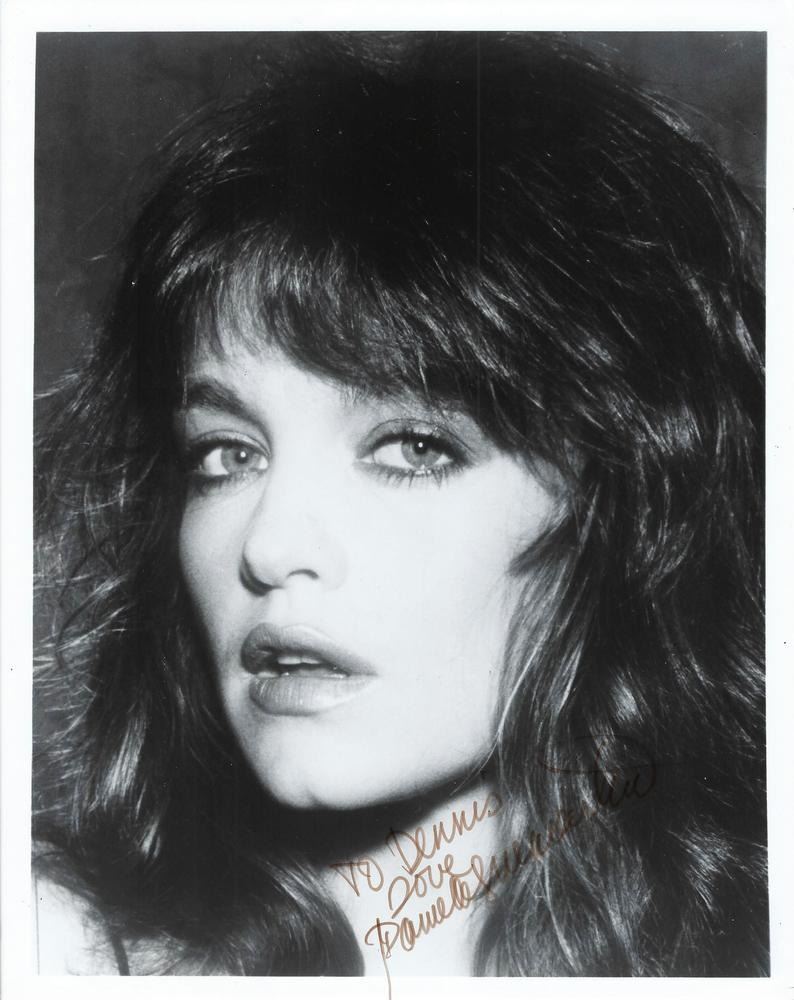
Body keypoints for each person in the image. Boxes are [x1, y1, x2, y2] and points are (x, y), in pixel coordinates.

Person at [33, 32, 767, 976]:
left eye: (414, 447)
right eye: (226, 453)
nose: (270, 544)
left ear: (627, 508)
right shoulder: (52, 951)